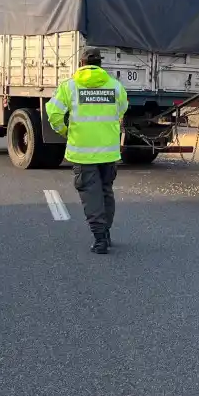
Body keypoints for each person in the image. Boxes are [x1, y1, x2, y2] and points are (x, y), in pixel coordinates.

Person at [45, 47, 128, 253]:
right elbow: (122, 108)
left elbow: (53, 113)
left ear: (81, 64)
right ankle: (106, 233)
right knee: (105, 192)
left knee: (91, 195)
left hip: (83, 153)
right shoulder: (115, 86)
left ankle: (99, 239)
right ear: (100, 64)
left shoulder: (70, 87)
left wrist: (65, 131)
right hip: (108, 153)